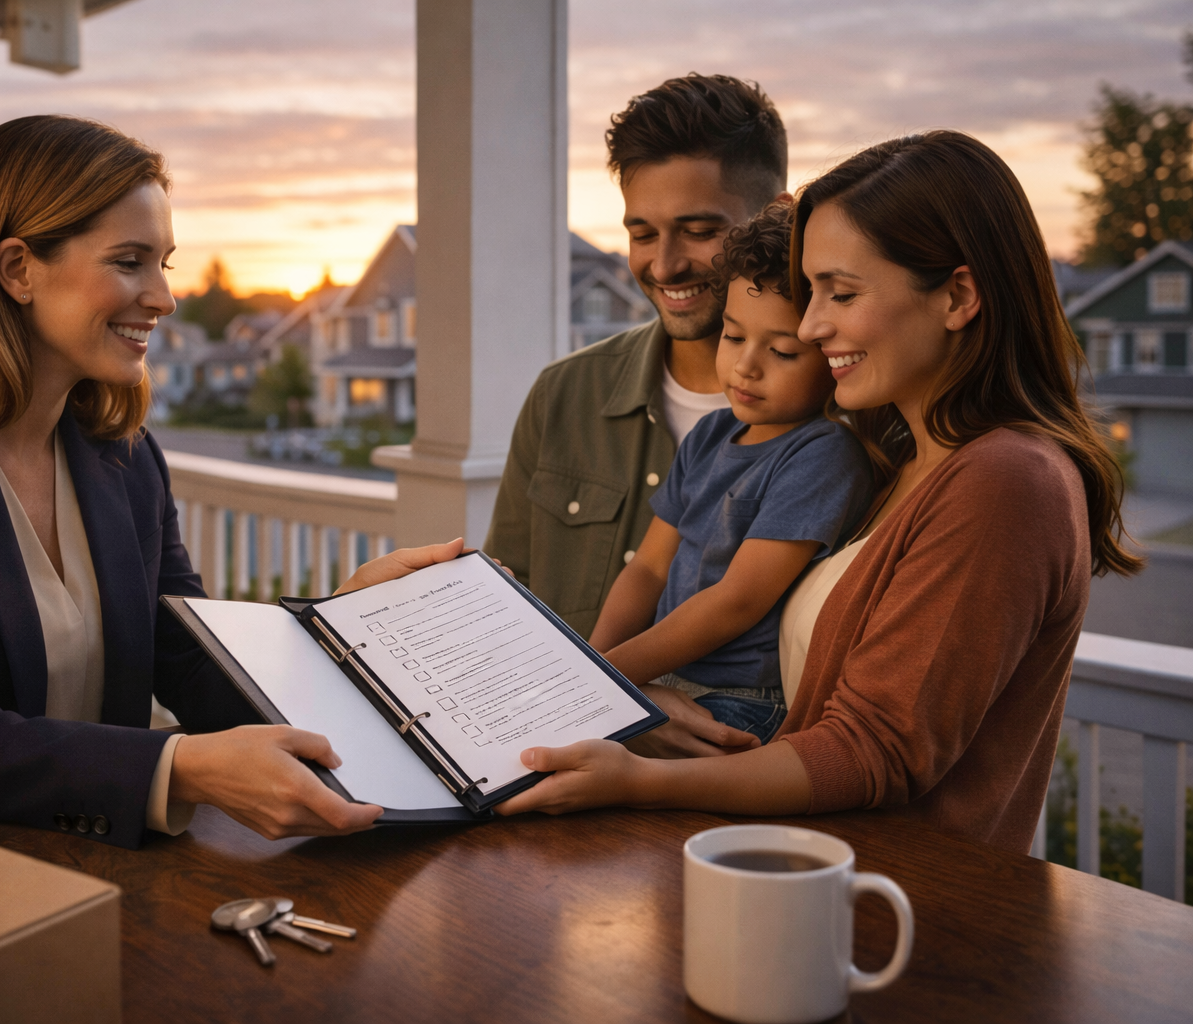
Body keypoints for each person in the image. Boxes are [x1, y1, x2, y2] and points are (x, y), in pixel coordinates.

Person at [0, 115, 464, 847]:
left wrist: (337, 634)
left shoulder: (125, 459)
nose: (164, 299)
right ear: (18, 270)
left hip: (42, 859)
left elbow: (192, 660)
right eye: (128, 261)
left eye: (163, 265)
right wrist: (177, 766)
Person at [492, 130, 1142, 853]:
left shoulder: (1006, 481)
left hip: (903, 914)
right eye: (809, 293)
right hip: (799, 884)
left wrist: (638, 777)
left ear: (958, 295)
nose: (810, 324)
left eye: (841, 292)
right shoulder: (897, 461)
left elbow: (873, 751)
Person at [484, 74, 791, 644]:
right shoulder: (563, 394)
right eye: (643, 234)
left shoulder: (844, 418)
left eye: (698, 231)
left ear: (775, 215)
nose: (665, 265)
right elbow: (505, 598)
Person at [591, 202, 873, 748]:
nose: (746, 365)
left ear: (831, 357)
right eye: (734, 336)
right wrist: (593, 665)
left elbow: (738, 600)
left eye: (784, 351)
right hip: (668, 679)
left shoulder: (821, 454)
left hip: (744, 700)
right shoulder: (709, 436)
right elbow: (648, 569)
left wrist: (604, 680)